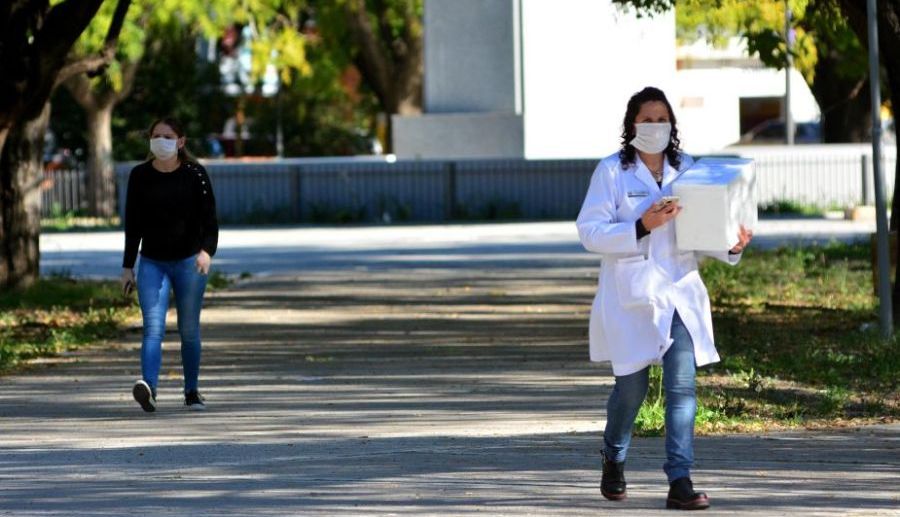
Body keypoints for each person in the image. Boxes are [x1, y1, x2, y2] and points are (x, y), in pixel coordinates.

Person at [575, 87, 752, 510]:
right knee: (631, 391)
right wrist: (641, 225)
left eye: (662, 119)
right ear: (632, 125)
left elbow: (703, 231)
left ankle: (680, 479)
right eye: (647, 119)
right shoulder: (612, 172)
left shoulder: (688, 170)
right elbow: (589, 232)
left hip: (679, 292)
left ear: (672, 124)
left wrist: (730, 245)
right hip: (632, 296)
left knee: (682, 387)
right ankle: (613, 456)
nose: (655, 127)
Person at [121, 117, 219, 413]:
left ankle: (191, 391)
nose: (161, 141)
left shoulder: (195, 174)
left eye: (168, 136)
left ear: (181, 142)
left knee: (189, 329)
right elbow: (133, 224)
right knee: (153, 329)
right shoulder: (140, 175)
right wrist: (128, 266)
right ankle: (148, 389)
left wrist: (207, 252)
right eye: (156, 136)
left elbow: (210, 219)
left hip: (189, 262)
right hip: (153, 263)